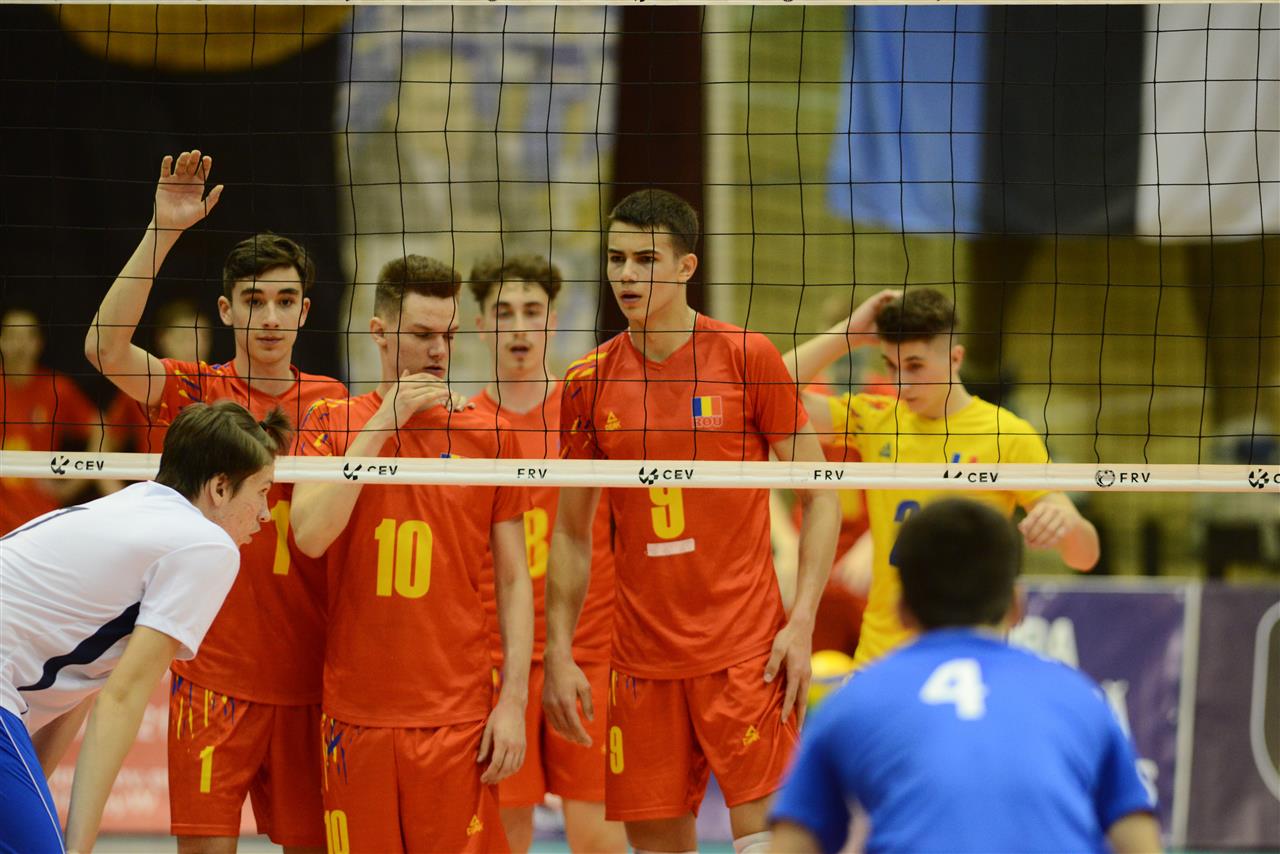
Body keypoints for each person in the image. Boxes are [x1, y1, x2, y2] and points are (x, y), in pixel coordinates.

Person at [542, 189, 840, 854]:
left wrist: (802, 624)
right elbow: (569, 531)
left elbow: (822, 496)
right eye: (616, 259)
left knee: (770, 842)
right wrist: (559, 650)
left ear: (686, 267)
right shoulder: (588, 380)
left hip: (746, 651)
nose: (626, 274)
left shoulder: (746, 357)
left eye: (646, 259)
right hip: (641, 659)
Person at [84, 150, 346, 852]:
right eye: (254, 301)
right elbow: (105, 349)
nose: (270, 317)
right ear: (227, 309)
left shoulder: (338, 404)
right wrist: (163, 230)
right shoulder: (197, 392)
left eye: (285, 301)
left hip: (306, 680)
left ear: (305, 311)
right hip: (211, 676)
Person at [290, 254, 534, 853]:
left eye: (448, 335)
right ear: (379, 332)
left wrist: (512, 702)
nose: (438, 351)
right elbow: (310, 535)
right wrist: (384, 423)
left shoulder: (487, 434)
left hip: (456, 715)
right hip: (357, 715)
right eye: (422, 335)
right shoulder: (332, 422)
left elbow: (514, 581)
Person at [769, 498, 1162, 854]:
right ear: (1017, 607)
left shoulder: (853, 703)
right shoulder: (1080, 697)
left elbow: (791, 846)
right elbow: (1140, 843)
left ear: (901, 610)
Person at [0, 401, 289, 854]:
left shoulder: (137, 504)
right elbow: (122, 699)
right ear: (219, 487)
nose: (266, 513)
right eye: (262, 491)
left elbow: (86, 684)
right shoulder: (205, 544)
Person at [784, 287, 1100, 668]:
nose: (901, 384)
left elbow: (1085, 556)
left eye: (915, 366)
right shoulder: (876, 419)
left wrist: (1066, 524)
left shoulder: (1008, 434)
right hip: (883, 657)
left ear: (955, 358)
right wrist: (848, 334)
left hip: (970, 660)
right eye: (891, 366)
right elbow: (768, 390)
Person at [467, 254, 626, 853]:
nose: (518, 327)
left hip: (587, 650)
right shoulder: (463, 426)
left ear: (552, 323)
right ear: (481, 325)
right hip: (495, 658)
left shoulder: (589, 413)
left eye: (532, 312)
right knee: (505, 837)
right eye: (503, 312)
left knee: (600, 837)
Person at [0, 306, 102, 534]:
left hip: (39, 521)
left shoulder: (56, 389)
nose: (20, 345)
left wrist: (70, 487)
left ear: (38, 343)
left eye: (27, 336)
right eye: (13, 336)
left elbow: (101, 429)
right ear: (2, 341)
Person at [102, 298, 215, 457]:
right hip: (155, 472)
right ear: (163, 339)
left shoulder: (220, 383)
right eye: (184, 337)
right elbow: (106, 439)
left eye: (202, 337)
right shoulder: (142, 386)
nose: (195, 345)